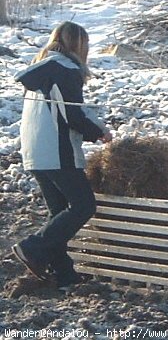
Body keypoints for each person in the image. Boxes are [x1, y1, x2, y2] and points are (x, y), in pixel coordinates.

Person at [12, 21, 112, 290]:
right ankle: (32, 247)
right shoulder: (66, 69)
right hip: (58, 152)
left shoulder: (42, 69)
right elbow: (71, 115)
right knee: (83, 206)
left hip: (34, 153)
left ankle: (64, 275)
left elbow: (65, 108)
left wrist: (98, 127)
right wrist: (96, 133)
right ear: (79, 44)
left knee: (58, 213)